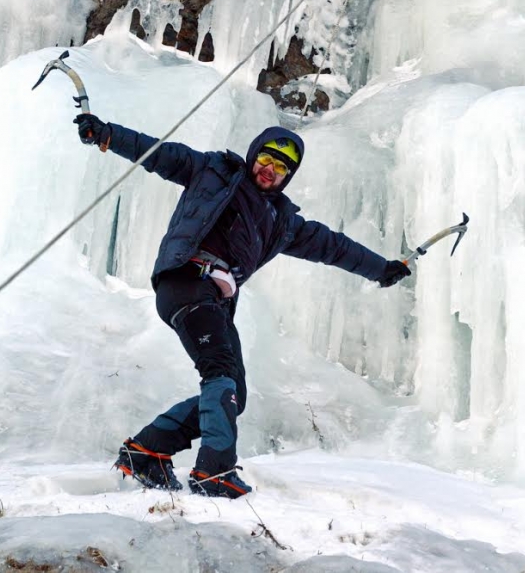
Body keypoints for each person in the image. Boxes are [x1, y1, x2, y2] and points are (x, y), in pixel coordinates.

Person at [73, 113, 411, 499]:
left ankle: (146, 452)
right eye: (265, 160)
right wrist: (107, 135)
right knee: (218, 373)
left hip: (213, 300)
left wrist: (381, 269)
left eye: (281, 168)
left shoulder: (283, 222)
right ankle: (213, 471)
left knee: (236, 395)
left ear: (288, 176)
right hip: (186, 281)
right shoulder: (213, 173)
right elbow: (159, 154)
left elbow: (333, 246)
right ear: (253, 156)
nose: (269, 171)